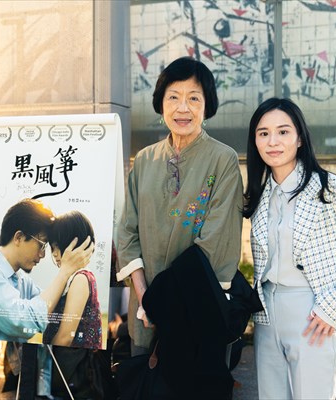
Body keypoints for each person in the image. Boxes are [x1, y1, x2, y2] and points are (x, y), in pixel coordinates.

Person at [116, 56, 243, 398]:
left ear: (207, 106)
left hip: (196, 312)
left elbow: (217, 241)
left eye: (193, 98)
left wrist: (162, 304)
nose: (182, 107)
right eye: (173, 96)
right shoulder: (144, 160)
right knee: (146, 388)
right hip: (145, 314)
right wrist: (145, 298)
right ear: (161, 104)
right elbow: (127, 232)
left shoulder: (223, 160)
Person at [243, 97, 336, 399]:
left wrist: (334, 308)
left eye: (283, 131)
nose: (273, 141)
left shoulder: (331, 188)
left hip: (313, 311)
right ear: (255, 141)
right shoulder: (259, 195)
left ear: (300, 138)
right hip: (267, 314)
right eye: (263, 133)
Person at [0, 199, 93, 342]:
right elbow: (26, 322)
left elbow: (51, 306)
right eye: (42, 245)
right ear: (19, 237)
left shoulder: (22, 280)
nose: (43, 255)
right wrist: (65, 271)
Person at [43, 210, 102, 349]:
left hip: (69, 359)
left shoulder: (80, 279)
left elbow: (65, 338)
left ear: (74, 245)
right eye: (52, 248)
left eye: (58, 246)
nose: (54, 254)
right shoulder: (71, 278)